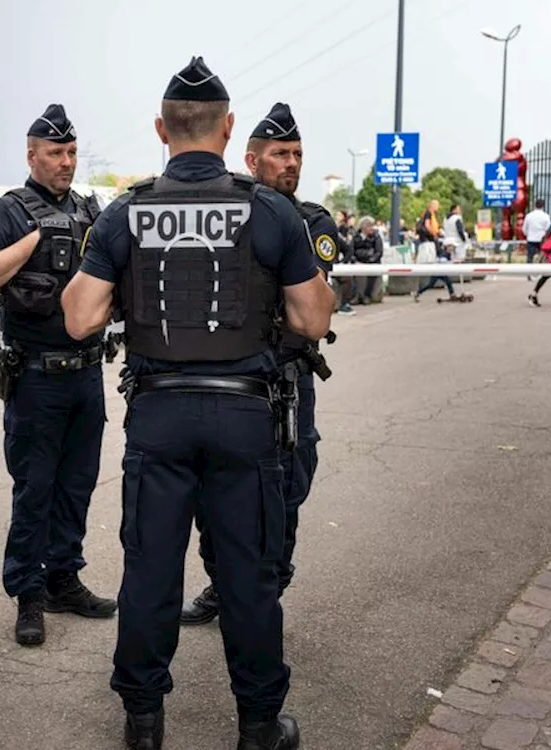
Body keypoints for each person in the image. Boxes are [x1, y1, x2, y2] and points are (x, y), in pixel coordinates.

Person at [61, 58, 332, 750]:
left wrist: (123, 280)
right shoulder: (269, 209)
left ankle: (144, 721)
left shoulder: (128, 211)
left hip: (159, 415)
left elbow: (80, 319)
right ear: (229, 128)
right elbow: (311, 319)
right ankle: (260, 726)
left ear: (162, 129)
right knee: (248, 574)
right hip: (246, 417)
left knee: (150, 570)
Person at [180, 101, 339, 630]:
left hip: (287, 382)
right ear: (252, 160)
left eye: (296, 154)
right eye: (279, 154)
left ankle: (267, 586)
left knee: (285, 491)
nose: (290, 163)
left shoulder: (312, 220)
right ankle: (222, 584)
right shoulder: (233, 211)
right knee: (214, 489)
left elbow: (310, 309)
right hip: (236, 379)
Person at [0, 102, 117, 647]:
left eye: (72, 151)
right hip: (35, 376)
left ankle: (64, 578)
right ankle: (28, 594)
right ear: (31, 155)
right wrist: (32, 240)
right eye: (56, 152)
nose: (66, 161)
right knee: (34, 489)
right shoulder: (10, 211)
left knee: (76, 483)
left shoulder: (89, 209)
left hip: (85, 374)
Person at [411, 200, 463, 302]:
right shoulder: (429, 213)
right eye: (437, 205)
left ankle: (418, 293)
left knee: (434, 281)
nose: (438, 207)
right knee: (442, 279)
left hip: (439, 262)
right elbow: (427, 225)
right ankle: (451, 293)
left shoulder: (441, 219)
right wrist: (434, 234)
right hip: (439, 262)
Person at [349, 217, 385, 304]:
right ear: (363, 227)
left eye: (372, 226)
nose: (372, 228)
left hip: (372, 263)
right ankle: (356, 295)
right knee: (354, 274)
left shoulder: (376, 236)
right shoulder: (355, 237)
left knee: (371, 274)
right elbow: (350, 251)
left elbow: (379, 252)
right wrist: (355, 261)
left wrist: (369, 262)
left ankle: (367, 295)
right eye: (370, 226)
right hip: (358, 262)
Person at [522, 198, 550, 264]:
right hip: (542, 239)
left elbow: (524, 228)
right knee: (542, 257)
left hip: (531, 239)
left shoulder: (529, 216)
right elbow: (548, 229)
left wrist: (527, 234)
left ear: (535, 205)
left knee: (530, 257)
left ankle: (529, 272)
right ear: (543, 206)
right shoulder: (546, 216)